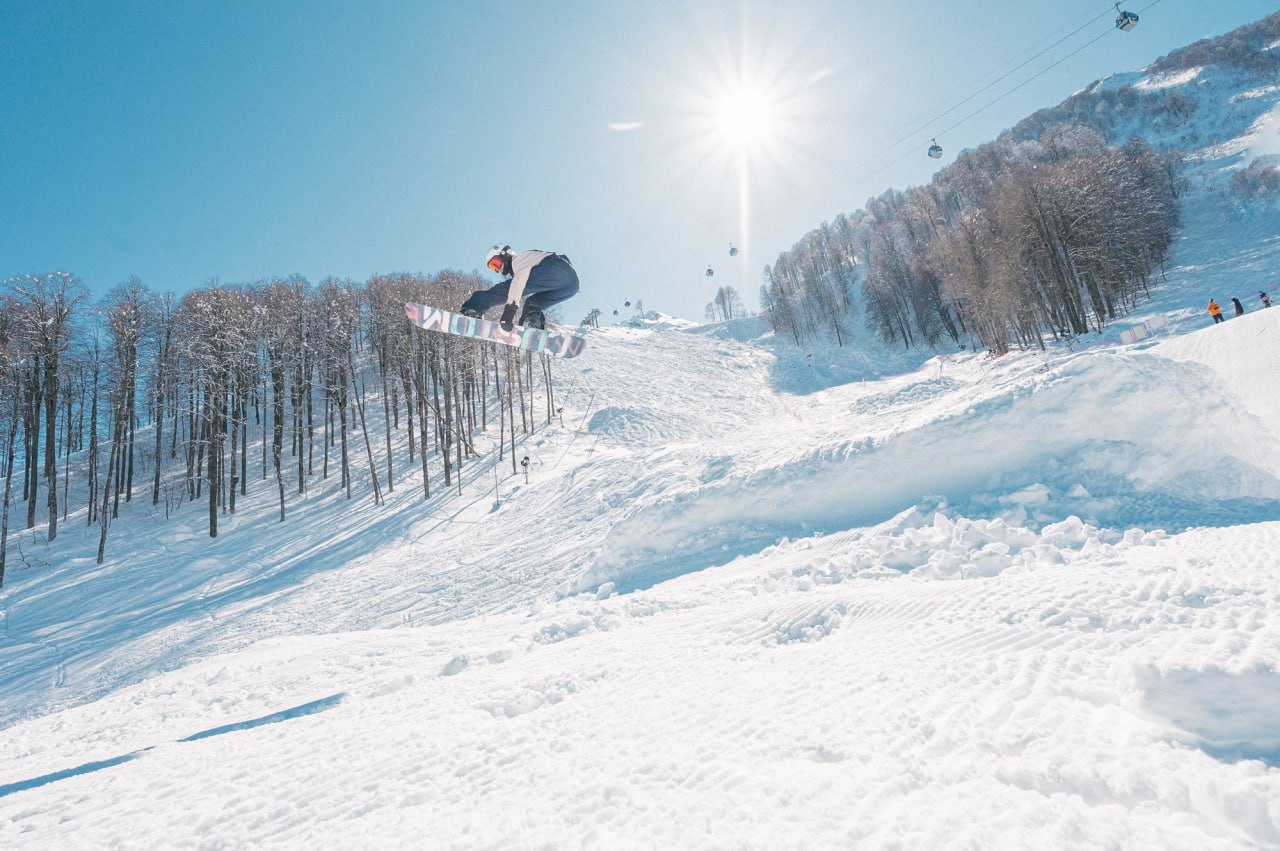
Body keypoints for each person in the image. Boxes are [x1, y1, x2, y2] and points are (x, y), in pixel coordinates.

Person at [459, 245, 580, 331]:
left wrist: (508, 315)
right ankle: (533, 322)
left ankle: (473, 308)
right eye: (493, 267)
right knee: (533, 302)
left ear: (504, 254)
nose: (497, 269)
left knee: (503, 290)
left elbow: (518, 282)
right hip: (571, 285)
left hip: (554, 267)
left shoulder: (518, 259)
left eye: (495, 263)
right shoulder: (525, 262)